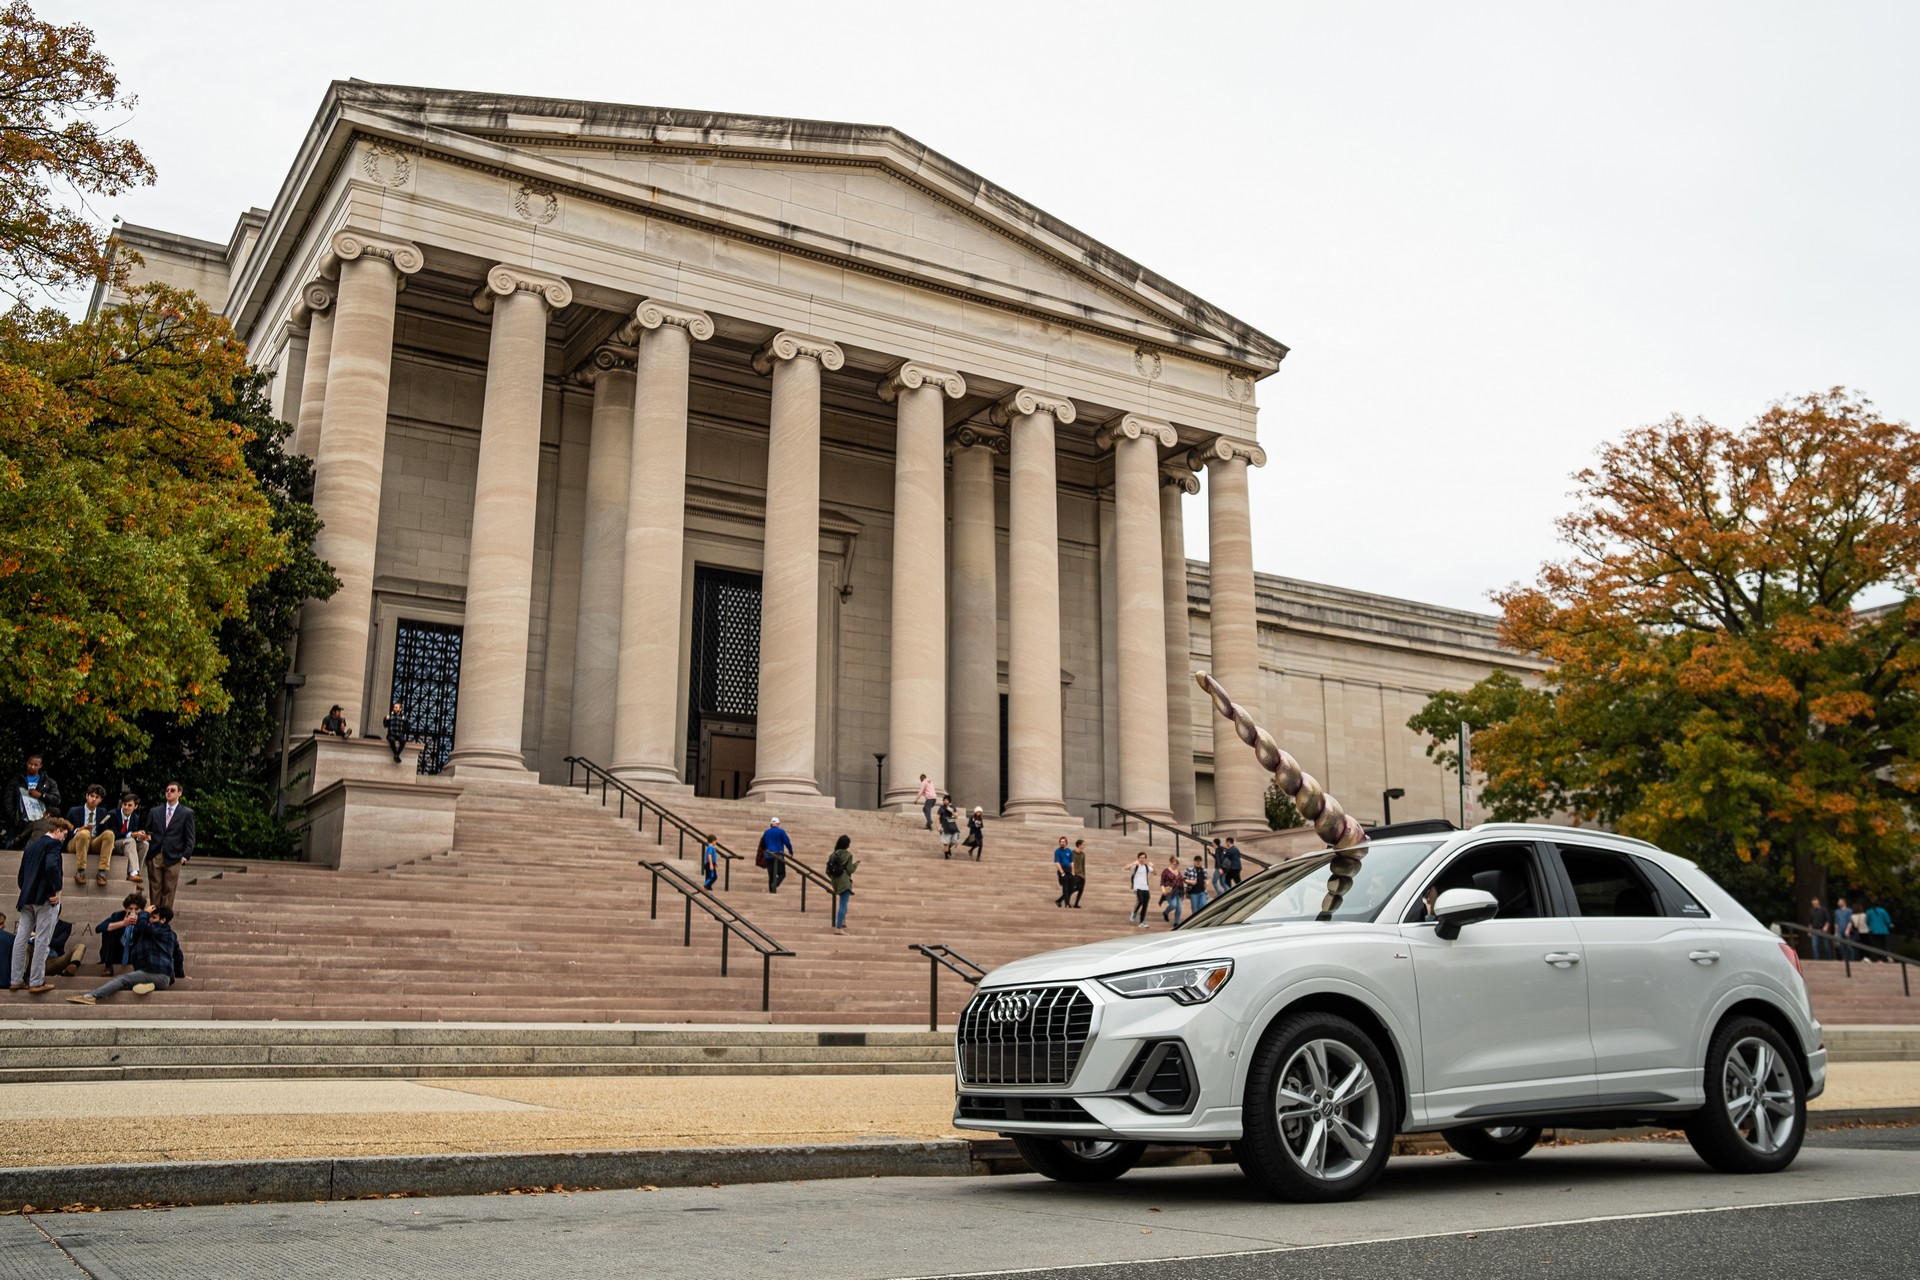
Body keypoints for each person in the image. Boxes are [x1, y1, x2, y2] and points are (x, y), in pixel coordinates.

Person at [67, 904, 183, 1005]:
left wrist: (145, 913)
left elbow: (142, 926)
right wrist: (180, 975)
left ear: (162, 920)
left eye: (153, 917)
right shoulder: (172, 935)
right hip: (165, 979)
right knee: (130, 981)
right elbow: (178, 956)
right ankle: (148, 985)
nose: (150, 919)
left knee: (122, 979)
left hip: (154, 972)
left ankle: (92, 996)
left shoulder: (157, 928)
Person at [10, 816, 69, 993]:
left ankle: (16, 979)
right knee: (43, 940)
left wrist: (28, 890)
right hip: (45, 898)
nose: (64, 839)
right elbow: (52, 867)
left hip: (27, 897)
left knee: (21, 939)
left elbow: (21, 877)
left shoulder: (30, 846)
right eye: (64, 835)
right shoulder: (53, 844)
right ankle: (36, 981)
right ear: (57, 830)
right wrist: (57, 889)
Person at [143, 782, 196, 913]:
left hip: (175, 856)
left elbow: (190, 837)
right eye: (167, 790)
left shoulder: (186, 813)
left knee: (169, 889)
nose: (169, 792)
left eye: (172, 790)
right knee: (154, 888)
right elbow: (147, 830)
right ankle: (153, 917)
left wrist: (185, 856)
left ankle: (164, 920)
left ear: (179, 793)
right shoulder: (155, 811)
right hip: (155, 854)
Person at [6, 753, 60, 847]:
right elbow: (8, 801)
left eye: (36, 765)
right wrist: (15, 817)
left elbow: (56, 800)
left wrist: (41, 795)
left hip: (40, 823)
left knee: (37, 849)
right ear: (27, 763)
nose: (32, 767)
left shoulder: (48, 782)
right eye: (30, 764)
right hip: (19, 823)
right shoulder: (16, 781)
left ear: (40, 766)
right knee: (11, 848)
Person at [66, 784, 115, 887]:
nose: (93, 799)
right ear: (86, 796)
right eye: (92, 796)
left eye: (97, 797)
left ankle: (102, 871)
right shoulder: (74, 811)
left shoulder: (103, 812)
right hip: (76, 841)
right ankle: (80, 871)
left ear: (100, 800)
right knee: (84, 833)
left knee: (109, 834)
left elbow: (105, 830)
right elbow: (66, 831)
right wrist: (78, 830)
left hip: (93, 841)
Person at [95, 894, 146, 972]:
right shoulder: (118, 915)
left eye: (136, 909)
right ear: (125, 909)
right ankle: (108, 966)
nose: (133, 912)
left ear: (141, 910)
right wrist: (122, 923)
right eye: (130, 909)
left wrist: (139, 923)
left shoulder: (144, 918)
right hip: (117, 953)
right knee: (109, 931)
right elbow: (99, 928)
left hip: (134, 955)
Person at [103, 792, 145, 883]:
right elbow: (112, 834)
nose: (126, 807)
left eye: (130, 805)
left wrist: (140, 836)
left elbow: (134, 835)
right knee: (130, 840)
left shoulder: (135, 818)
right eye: (124, 804)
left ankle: (137, 873)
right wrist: (131, 834)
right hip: (114, 843)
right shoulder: (112, 814)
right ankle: (133, 873)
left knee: (145, 845)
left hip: (128, 844)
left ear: (135, 806)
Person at [826, 834, 859, 932]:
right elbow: (849, 870)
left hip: (836, 882)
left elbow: (827, 871)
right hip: (844, 881)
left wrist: (834, 878)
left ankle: (842, 922)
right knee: (843, 904)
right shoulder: (848, 855)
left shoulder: (833, 854)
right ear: (847, 845)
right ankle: (838, 927)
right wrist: (855, 865)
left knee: (843, 903)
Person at [758, 818, 792, 894]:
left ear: (771, 824)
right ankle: (776, 883)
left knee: (771, 875)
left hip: (769, 856)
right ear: (778, 824)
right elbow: (787, 842)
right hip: (779, 856)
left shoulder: (766, 832)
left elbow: (763, 843)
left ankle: (771, 892)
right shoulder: (781, 832)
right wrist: (790, 851)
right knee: (782, 874)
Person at [1160, 852, 1186, 925]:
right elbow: (1162, 882)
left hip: (1179, 891)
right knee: (1173, 905)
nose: (1175, 865)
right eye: (1174, 864)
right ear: (1171, 863)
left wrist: (1184, 892)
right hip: (1170, 891)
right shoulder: (1166, 871)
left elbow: (1181, 882)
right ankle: (1165, 912)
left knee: (1179, 908)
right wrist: (1163, 890)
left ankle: (1176, 923)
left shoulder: (1178, 872)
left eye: (1176, 864)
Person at [1129, 852, 1153, 927]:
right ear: (1138, 858)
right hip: (1137, 887)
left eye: (1143, 858)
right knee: (1140, 900)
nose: (1142, 859)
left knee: (1145, 905)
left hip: (1145, 887)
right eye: (1141, 858)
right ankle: (1134, 912)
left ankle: (1142, 922)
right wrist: (1134, 863)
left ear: (1145, 859)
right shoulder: (1135, 866)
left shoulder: (1146, 867)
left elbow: (1155, 873)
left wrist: (1152, 866)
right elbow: (1126, 867)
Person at [1184, 853, 1210, 918]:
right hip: (1193, 892)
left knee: (1204, 904)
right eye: (1196, 861)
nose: (1198, 863)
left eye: (1199, 861)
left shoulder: (1204, 869)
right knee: (1195, 910)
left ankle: (1200, 918)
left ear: (1201, 862)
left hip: (1202, 892)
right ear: (1194, 862)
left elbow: (1206, 878)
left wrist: (1207, 881)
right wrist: (1191, 881)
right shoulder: (1189, 869)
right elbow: (1184, 879)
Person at [1051, 837, 1074, 907]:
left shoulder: (1069, 851)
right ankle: (1067, 904)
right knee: (1065, 887)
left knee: (1071, 888)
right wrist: (1062, 872)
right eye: (1061, 842)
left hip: (1069, 870)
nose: (1062, 843)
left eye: (1063, 842)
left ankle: (1059, 901)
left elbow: (1072, 862)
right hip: (1062, 870)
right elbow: (1057, 862)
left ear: (1066, 843)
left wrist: (1073, 872)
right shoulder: (1057, 851)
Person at [1833, 897, 1855, 963]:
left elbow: (1850, 921)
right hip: (1839, 930)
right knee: (1839, 944)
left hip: (1847, 929)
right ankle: (1843, 958)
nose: (1838, 903)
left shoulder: (1849, 910)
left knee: (1849, 945)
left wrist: (1848, 929)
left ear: (1844, 902)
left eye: (1839, 901)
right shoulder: (1837, 912)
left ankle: (1851, 959)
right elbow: (1836, 922)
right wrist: (1836, 932)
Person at [1067, 839, 1087, 908]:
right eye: (1083, 845)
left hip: (1081, 875)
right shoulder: (1072, 853)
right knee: (1072, 888)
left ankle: (1076, 904)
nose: (1084, 846)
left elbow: (1083, 865)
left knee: (1081, 889)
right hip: (1074, 874)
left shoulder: (1083, 855)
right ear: (1079, 845)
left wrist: (1084, 875)